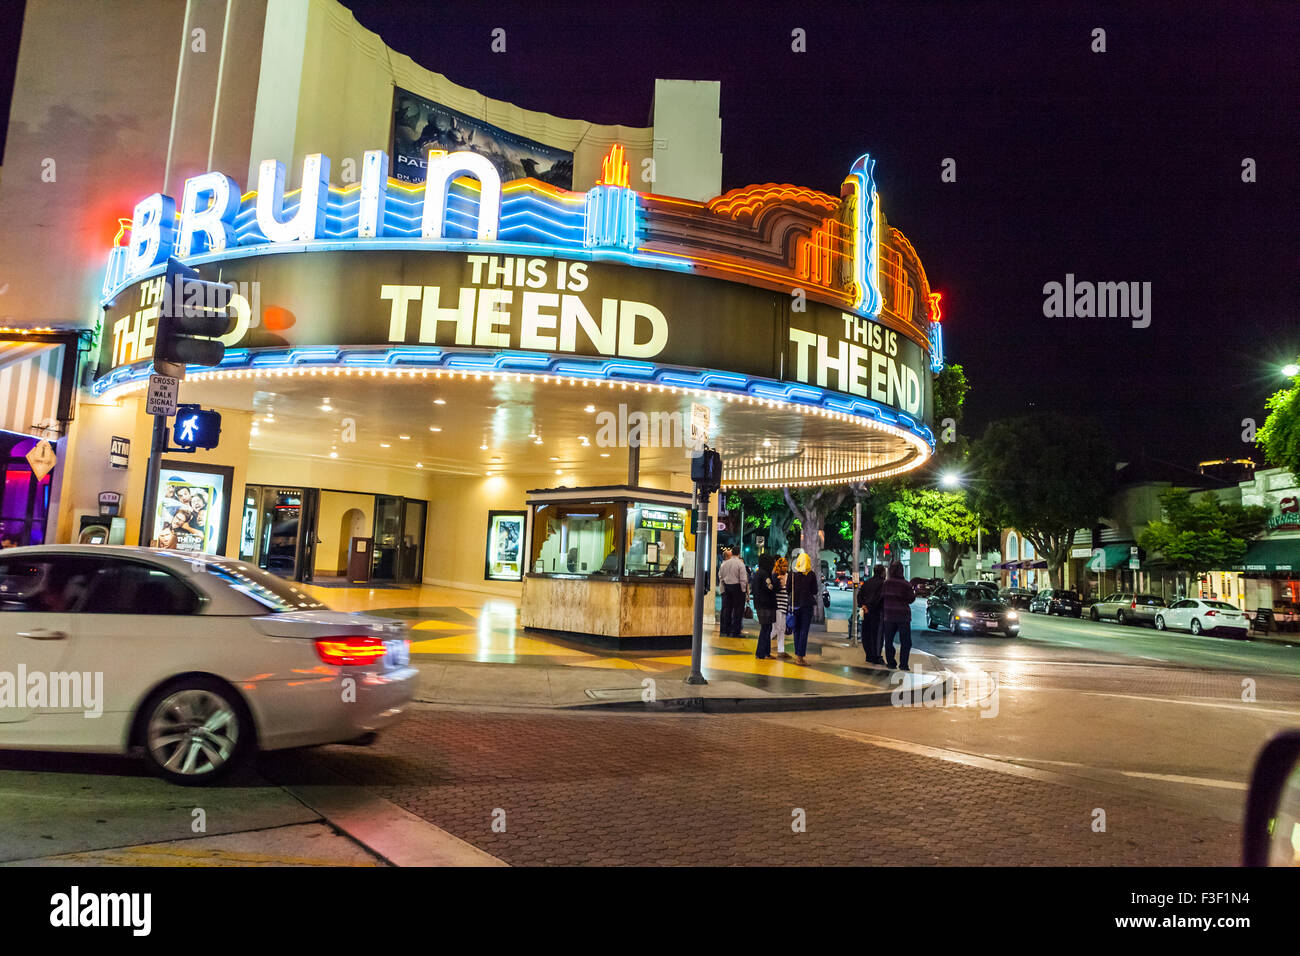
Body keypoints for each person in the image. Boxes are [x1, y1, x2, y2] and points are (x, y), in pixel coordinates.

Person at [881, 562, 916, 670]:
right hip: (903, 616)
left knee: (889, 640)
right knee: (906, 641)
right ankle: (904, 664)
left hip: (889, 615)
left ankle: (891, 662)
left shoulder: (886, 583)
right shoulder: (906, 584)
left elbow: (882, 597)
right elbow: (910, 599)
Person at [789, 552, 818, 665]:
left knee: (796, 630)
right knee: (804, 631)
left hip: (794, 605)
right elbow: (815, 591)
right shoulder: (811, 574)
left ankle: (798, 655)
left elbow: (788, 589)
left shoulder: (792, 574)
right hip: (807, 606)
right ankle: (800, 657)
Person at [857, 564, 887, 664]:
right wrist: (870, 607)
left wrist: (863, 606)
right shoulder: (883, 583)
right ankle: (876, 656)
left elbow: (860, 595)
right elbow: (879, 598)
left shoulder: (867, 582)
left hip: (866, 612)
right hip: (877, 612)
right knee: (877, 635)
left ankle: (869, 655)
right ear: (882, 572)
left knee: (866, 634)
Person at [718, 547, 749, 636]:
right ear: (739, 553)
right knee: (738, 611)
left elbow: (721, 575)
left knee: (727, 609)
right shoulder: (740, 564)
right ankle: (736, 632)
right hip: (737, 588)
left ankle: (726, 630)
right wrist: (744, 591)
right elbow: (743, 579)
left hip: (727, 587)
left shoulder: (725, 563)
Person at [772, 556, 792, 659]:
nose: (785, 568)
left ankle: (781, 650)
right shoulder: (775, 576)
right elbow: (775, 590)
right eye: (784, 566)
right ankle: (764, 644)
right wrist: (779, 583)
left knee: (782, 629)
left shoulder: (788, 576)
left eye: (786, 566)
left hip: (784, 604)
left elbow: (789, 591)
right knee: (777, 628)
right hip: (777, 605)